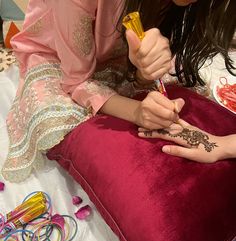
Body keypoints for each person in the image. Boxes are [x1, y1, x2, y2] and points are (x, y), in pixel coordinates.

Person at [2, 0, 236, 182]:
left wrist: (143, 73)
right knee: (58, 119)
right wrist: (137, 112)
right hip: (59, 59)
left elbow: (142, 60)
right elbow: (76, 80)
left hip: (113, 56)